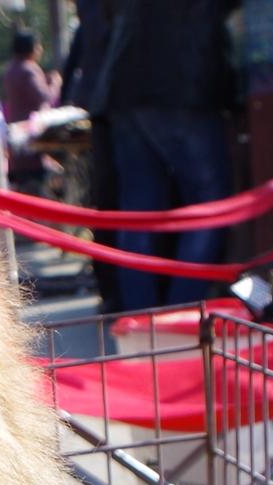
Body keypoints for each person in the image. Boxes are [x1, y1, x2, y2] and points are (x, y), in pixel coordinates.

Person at [78, 0, 237, 311]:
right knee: (210, 206)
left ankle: (144, 318)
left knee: (140, 212)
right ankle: (181, 309)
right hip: (182, 82)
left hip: (124, 85)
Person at [0, 30, 63, 193]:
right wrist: (55, 83)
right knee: (38, 184)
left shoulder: (10, 70)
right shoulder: (29, 69)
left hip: (16, 135)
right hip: (32, 137)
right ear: (32, 47)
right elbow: (44, 96)